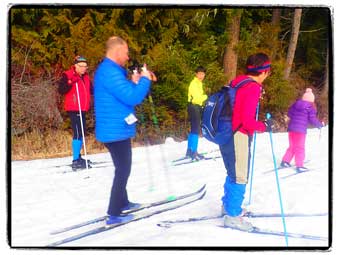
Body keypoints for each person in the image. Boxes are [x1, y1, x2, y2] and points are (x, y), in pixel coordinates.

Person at [94, 36, 154, 225]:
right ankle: (114, 212)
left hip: (117, 128)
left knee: (122, 167)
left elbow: (124, 92)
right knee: (123, 169)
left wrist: (135, 81)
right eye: (126, 53)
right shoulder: (109, 72)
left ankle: (123, 202)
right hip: (114, 131)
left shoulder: (111, 71)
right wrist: (145, 80)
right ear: (117, 51)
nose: (128, 57)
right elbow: (132, 97)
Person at [219, 53, 272, 231]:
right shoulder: (253, 88)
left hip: (225, 133)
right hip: (238, 135)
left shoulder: (237, 81)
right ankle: (233, 216)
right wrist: (264, 126)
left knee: (232, 171)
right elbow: (247, 121)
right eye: (268, 71)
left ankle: (227, 205)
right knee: (240, 175)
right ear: (263, 71)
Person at [58, 55, 93, 170]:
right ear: (75, 66)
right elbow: (61, 90)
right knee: (78, 132)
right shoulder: (68, 75)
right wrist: (71, 81)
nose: (83, 68)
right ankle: (75, 159)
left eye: (85, 66)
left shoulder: (86, 77)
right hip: (74, 107)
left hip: (83, 108)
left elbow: (91, 90)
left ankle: (79, 157)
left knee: (82, 132)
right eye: (81, 66)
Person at [280, 88, 324, 172]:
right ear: (312, 100)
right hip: (300, 131)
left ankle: (285, 161)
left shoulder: (296, 104)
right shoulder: (310, 107)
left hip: (291, 128)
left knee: (292, 146)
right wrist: (319, 125)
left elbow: (289, 114)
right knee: (300, 147)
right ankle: (299, 165)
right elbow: (312, 119)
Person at [186, 66, 208, 160]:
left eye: (203, 74)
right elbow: (196, 99)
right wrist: (206, 97)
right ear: (196, 74)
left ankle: (190, 150)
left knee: (194, 128)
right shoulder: (194, 83)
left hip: (196, 107)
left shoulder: (199, 83)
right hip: (194, 106)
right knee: (195, 129)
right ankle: (193, 151)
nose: (201, 76)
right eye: (199, 73)